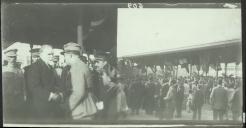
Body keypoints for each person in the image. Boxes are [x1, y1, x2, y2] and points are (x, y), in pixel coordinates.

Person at [60, 42, 97, 120]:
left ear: (70, 55)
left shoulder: (76, 68)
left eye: (65, 55)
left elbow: (78, 93)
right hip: (86, 108)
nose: (64, 58)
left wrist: (66, 107)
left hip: (80, 111)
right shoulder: (81, 65)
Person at [26, 45, 62, 121]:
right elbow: (34, 87)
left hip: (48, 105)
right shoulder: (35, 67)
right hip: (39, 106)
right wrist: (51, 95)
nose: (51, 56)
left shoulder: (49, 67)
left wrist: (57, 91)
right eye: (49, 54)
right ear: (41, 54)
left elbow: (50, 84)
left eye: (52, 54)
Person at [2, 49, 26, 122]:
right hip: (7, 99)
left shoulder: (19, 70)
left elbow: (23, 85)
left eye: (14, 57)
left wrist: (24, 96)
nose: (12, 59)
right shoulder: (3, 69)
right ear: (6, 58)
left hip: (18, 100)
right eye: (10, 57)